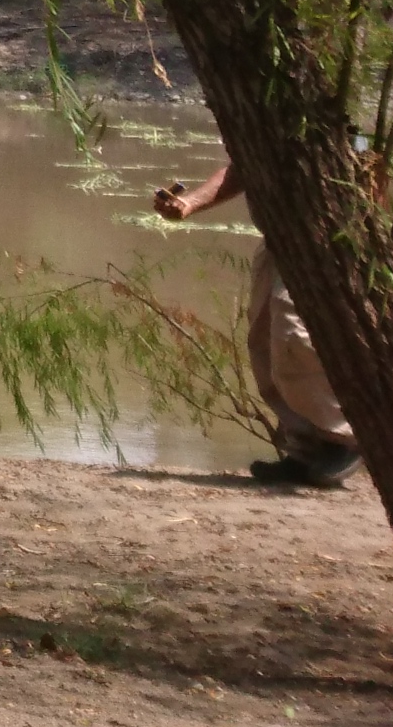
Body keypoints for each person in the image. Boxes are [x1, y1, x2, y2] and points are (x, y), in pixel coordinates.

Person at [153, 160, 362, 488]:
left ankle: (344, 437)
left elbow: (369, 174)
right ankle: (305, 451)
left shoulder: (330, 117)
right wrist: (189, 202)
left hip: (323, 237)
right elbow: (244, 164)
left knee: (293, 331)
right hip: (277, 240)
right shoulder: (257, 123)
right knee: (264, 341)